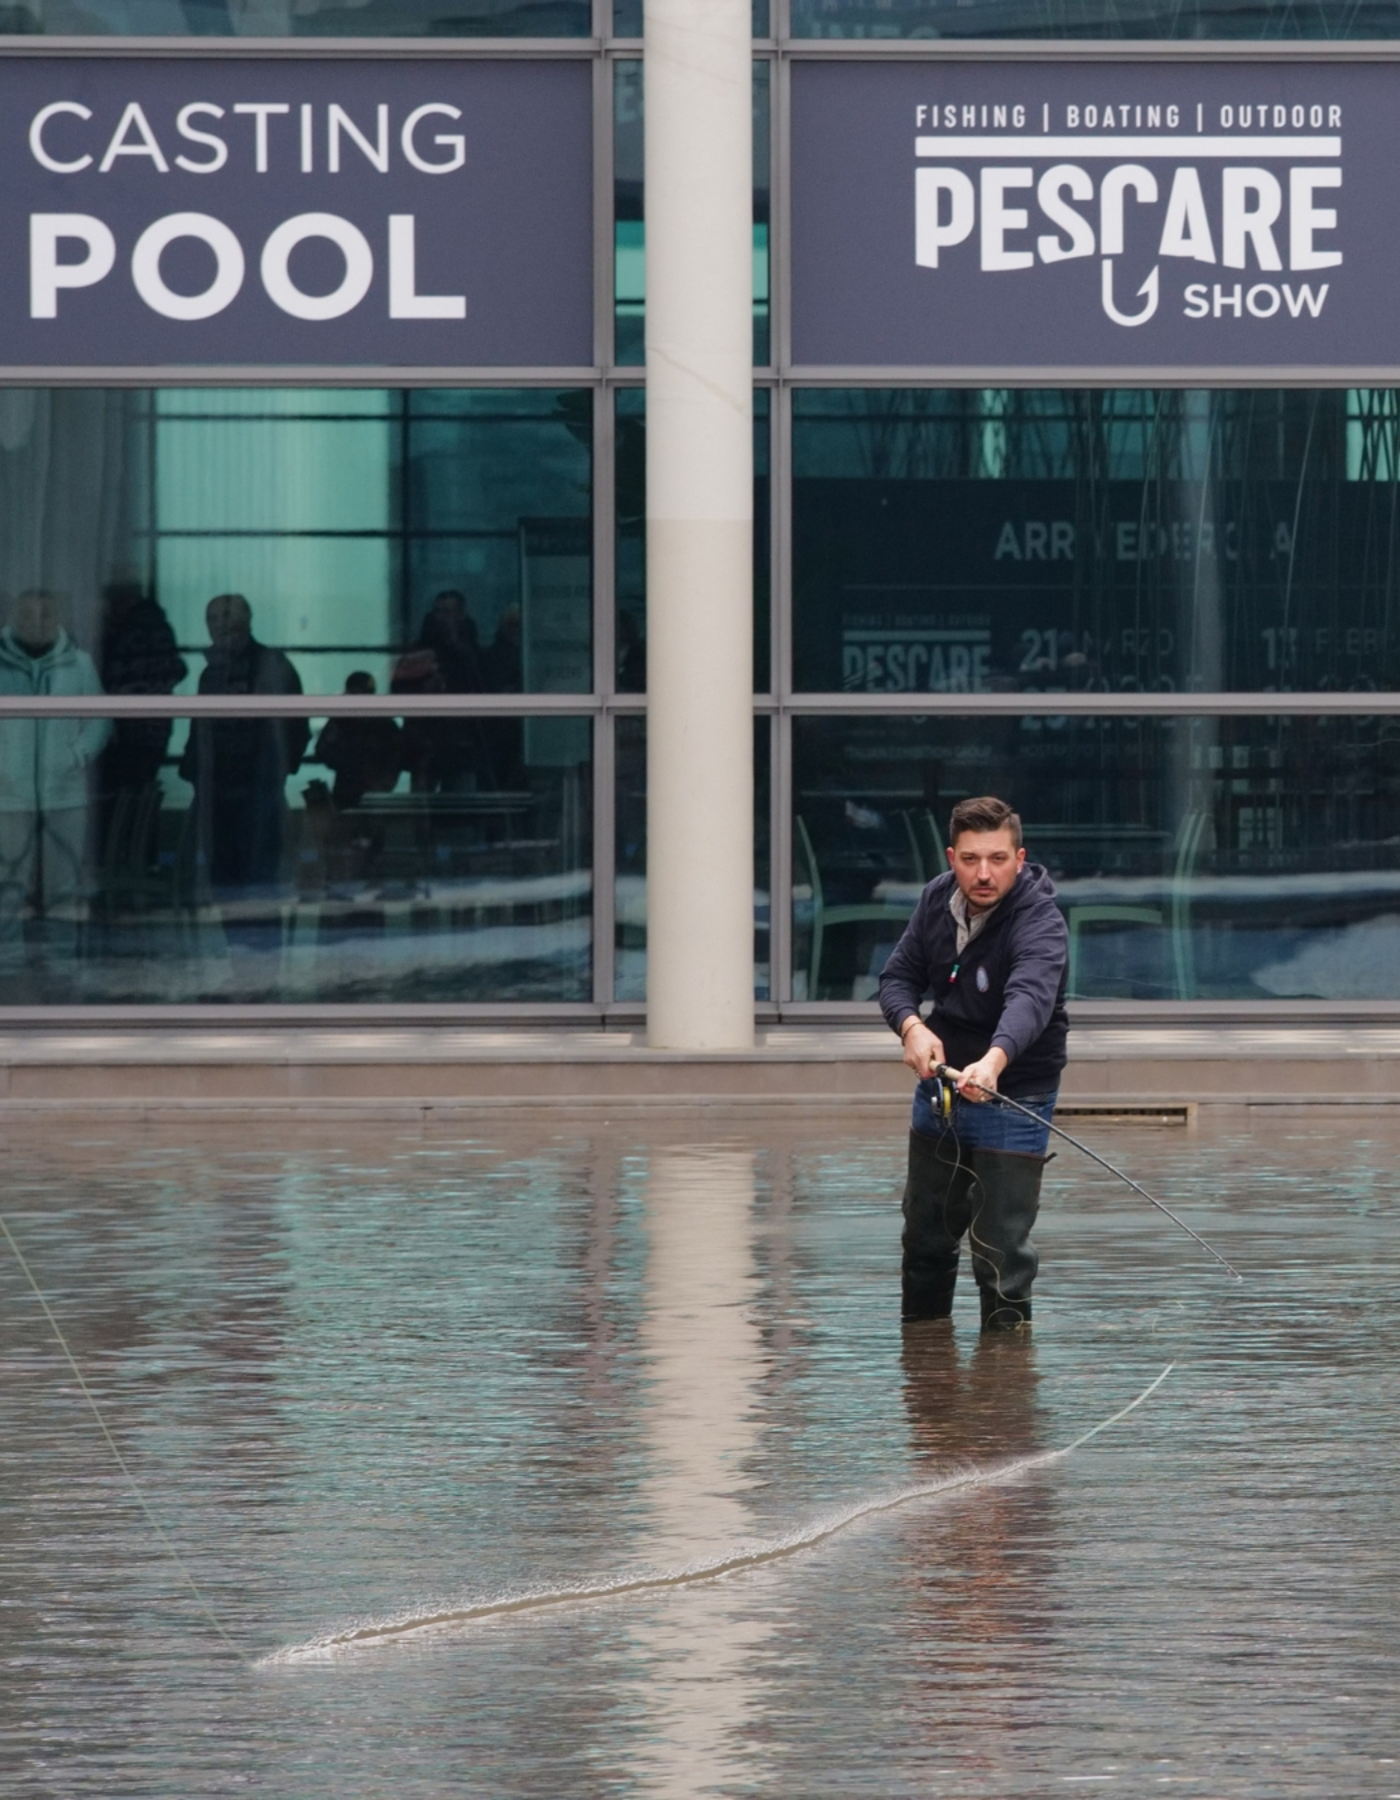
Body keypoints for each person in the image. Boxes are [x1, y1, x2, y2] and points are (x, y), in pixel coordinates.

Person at [878, 795, 1069, 1332]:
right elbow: (896, 980)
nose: (983, 873)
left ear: (1020, 856)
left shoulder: (1041, 920)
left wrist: (994, 1061)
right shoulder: (936, 899)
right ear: (951, 856)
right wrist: (912, 1027)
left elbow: (1030, 1000)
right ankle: (924, 1384)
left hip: (1015, 1091)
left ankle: (1003, 1395)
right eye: (969, 859)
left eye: (997, 859)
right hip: (938, 1085)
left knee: (1001, 1254)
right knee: (924, 1240)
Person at [178, 594, 309, 894]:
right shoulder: (211, 673)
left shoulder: (271, 664)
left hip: (258, 789)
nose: (219, 625)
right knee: (222, 876)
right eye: (212, 618)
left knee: (261, 874)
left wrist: (277, 770)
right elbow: (200, 728)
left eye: (226, 616)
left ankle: (260, 935)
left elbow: (295, 725)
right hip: (217, 789)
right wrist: (196, 770)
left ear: (247, 621)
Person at [0, 589, 110, 945]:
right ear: (14, 619)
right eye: (28, 615)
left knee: (64, 887)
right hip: (7, 799)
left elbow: (100, 719)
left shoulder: (80, 663)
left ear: (58, 619)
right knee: (8, 885)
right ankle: (8, 963)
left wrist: (75, 756)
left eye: (45, 614)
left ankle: (62, 963)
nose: (36, 622)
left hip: (65, 796)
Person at [313, 672, 404, 809]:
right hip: (361, 790)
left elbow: (323, 750)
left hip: (359, 789)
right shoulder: (383, 723)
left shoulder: (344, 720)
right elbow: (323, 750)